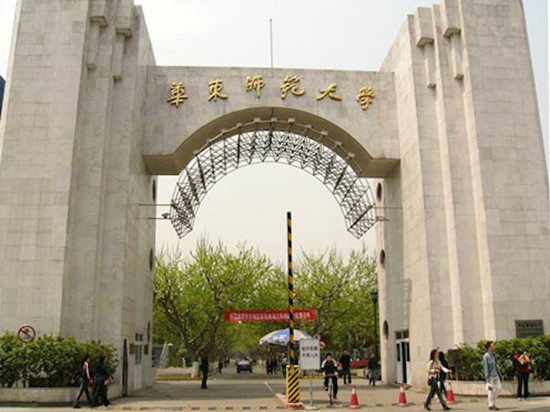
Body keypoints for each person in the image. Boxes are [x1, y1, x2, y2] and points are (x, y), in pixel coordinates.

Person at [483, 341, 502, 410]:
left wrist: (499, 374)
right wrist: (487, 379)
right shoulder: (486, 356)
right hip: (490, 377)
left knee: (499, 388)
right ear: (489, 347)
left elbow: (496, 366)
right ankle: (491, 404)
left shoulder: (493, 355)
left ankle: (490, 402)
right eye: (492, 346)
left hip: (495, 375)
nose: (494, 347)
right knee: (491, 391)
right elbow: (486, 368)